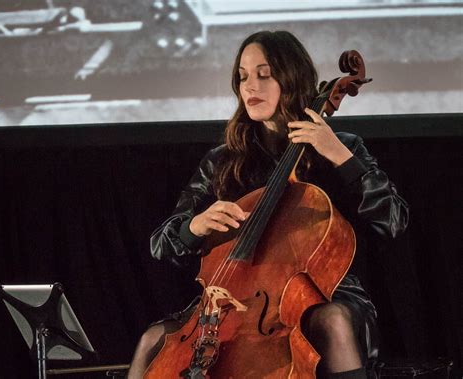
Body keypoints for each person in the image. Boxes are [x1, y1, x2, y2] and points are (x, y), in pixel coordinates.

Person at [127, 30, 409, 379]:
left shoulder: (339, 148)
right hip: (230, 305)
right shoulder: (223, 161)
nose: (250, 86)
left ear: (291, 78)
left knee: (331, 320)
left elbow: (393, 220)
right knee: (153, 338)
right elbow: (160, 244)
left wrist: (340, 156)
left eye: (264, 74)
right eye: (243, 77)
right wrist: (195, 226)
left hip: (326, 298)